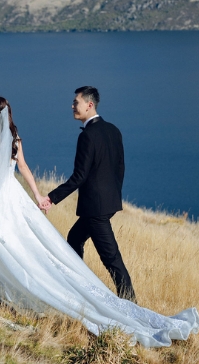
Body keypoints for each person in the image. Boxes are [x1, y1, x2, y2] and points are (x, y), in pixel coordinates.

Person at [0, 95, 199, 347]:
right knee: (22, 244)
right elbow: (23, 167)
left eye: (76, 101)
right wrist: (37, 195)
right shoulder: (14, 136)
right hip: (15, 195)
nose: (72, 105)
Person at [40, 86, 136, 302]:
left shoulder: (88, 136)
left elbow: (79, 176)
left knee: (111, 258)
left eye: (76, 102)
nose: (72, 106)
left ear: (89, 105)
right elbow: (120, 168)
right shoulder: (113, 130)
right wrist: (113, 195)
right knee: (74, 238)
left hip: (96, 208)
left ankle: (131, 303)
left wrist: (51, 198)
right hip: (107, 203)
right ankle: (77, 288)